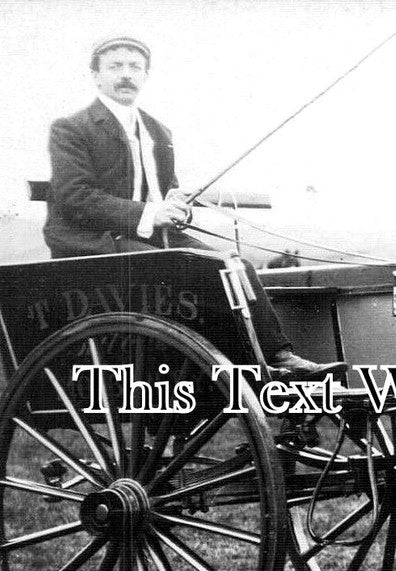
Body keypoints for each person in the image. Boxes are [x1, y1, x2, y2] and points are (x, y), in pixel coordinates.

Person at [43, 35, 346, 379]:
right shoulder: (71, 129)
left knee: (234, 264)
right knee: (194, 270)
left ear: (145, 75)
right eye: (115, 67)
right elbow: (74, 196)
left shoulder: (157, 130)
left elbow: (164, 190)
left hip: (147, 239)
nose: (126, 74)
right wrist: (150, 214)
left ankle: (277, 358)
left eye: (134, 67)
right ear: (96, 76)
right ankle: (226, 367)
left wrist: (177, 205)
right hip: (92, 244)